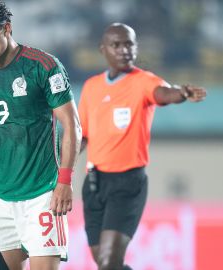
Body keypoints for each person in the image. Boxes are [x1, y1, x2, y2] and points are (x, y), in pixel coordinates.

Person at [0, 1, 82, 269]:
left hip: (43, 194)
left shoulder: (43, 66)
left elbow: (71, 125)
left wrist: (65, 181)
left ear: (7, 28)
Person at [78, 23, 207, 270]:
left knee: (108, 261)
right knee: (102, 260)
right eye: (117, 45)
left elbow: (164, 93)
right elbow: (83, 135)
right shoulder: (92, 87)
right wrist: (60, 162)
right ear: (103, 49)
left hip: (127, 183)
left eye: (129, 44)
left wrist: (182, 92)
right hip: (94, 183)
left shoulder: (143, 81)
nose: (124, 50)